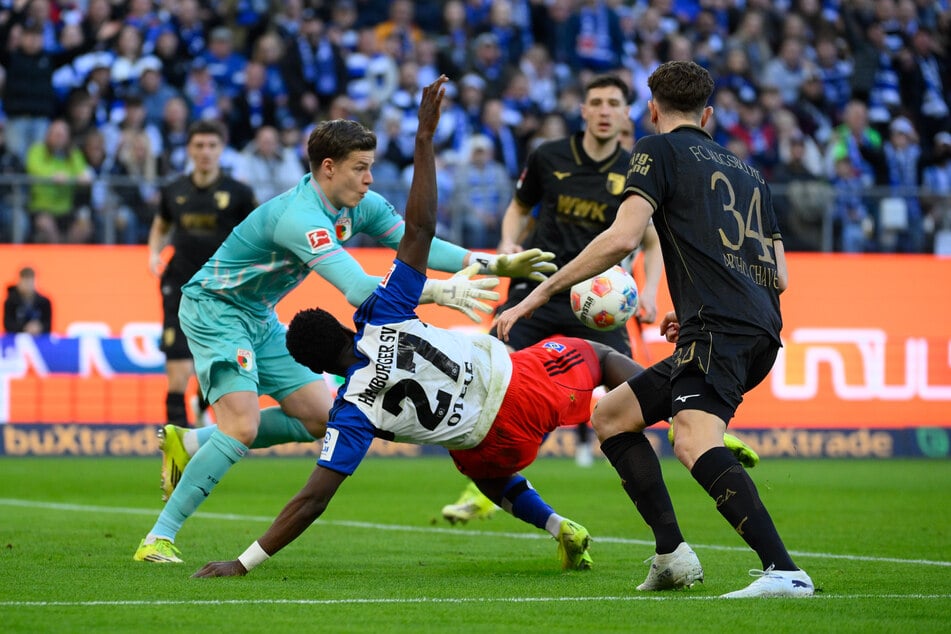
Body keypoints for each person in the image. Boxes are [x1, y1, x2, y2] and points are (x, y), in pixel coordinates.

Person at [190, 75, 629, 578]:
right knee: (599, 357)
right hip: (522, 391)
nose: (370, 178)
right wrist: (424, 139)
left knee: (480, 467)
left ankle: (555, 525)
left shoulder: (351, 410)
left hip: (491, 444)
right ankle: (687, 418)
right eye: (364, 169)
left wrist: (241, 563)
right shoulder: (383, 314)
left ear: (314, 366)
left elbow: (313, 499)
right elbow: (419, 231)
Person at [494, 60, 814, 599]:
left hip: (721, 328)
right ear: (708, 113)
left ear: (651, 110)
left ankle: (784, 570)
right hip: (753, 326)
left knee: (692, 439)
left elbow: (623, 239)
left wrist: (543, 291)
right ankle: (672, 555)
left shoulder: (654, 149)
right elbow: (779, 275)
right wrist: (695, 308)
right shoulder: (749, 173)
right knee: (612, 415)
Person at [458, 74, 664, 490]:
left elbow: (652, 239)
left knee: (631, 393)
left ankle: (689, 428)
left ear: (627, 113)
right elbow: (519, 207)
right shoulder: (548, 156)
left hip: (596, 301)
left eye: (613, 104)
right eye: (597, 103)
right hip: (535, 288)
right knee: (494, 376)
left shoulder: (636, 170)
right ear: (583, 110)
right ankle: (488, 485)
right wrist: (507, 241)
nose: (604, 111)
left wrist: (650, 291)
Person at [148, 120, 257, 432]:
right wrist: (154, 253)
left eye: (212, 145)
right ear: (189, 150)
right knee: (178, 363)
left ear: (221, 150)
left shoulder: (239, 193)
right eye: (199, 146)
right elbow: (161, 225)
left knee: (214, 362)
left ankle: (200, 404)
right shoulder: (174, 190)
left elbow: (257, 233)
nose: (205, 152)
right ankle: (175, 440)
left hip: (222, 289)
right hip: (179, 282)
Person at [3, 267, 52, 335]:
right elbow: (8, 323)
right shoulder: (11, 301)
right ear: (19, 282)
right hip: (16, 340)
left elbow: (48, 324)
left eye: (30, 281)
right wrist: (24, 327)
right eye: (25, 281)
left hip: (38, 340)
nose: (28, 285)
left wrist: (39, 327)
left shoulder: (44, 302)